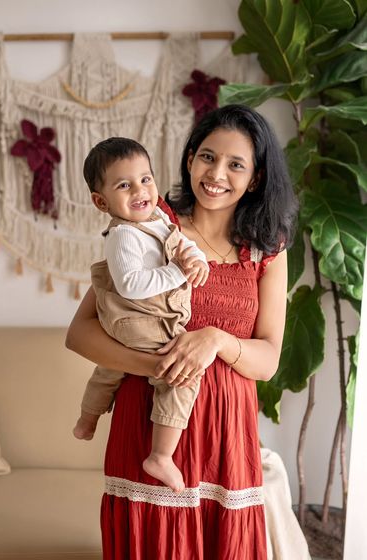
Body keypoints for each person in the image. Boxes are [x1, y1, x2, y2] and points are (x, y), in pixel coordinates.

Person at [66, 104, 298, 559]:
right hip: (148, 419)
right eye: (207, 156)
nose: (216, 174)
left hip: (227, 438)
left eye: (236, 164)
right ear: (190, 158)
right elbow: (80, 334)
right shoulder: (149, 226)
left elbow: (268, 360)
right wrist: (158, 366)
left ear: (254, 178)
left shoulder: (267, 248)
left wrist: (216, 339)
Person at [73, 137, 209, 493]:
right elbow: (131, 284)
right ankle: (161, 456)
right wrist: (179, 272)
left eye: (145, 179)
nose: (139, 190)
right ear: (102, 202)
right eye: (124, 185)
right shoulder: (123, 236)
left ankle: (87, 420)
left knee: (110, 368)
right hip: (139, 317)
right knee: (180, 374)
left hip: (137, 321)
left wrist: (194, 258)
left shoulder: (159, 218)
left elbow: (180, 243)